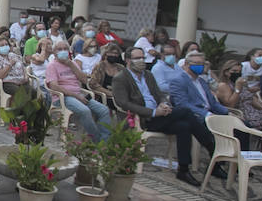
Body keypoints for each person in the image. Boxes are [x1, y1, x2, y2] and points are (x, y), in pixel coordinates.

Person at [111, 48, 219, 187]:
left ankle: (183, 170)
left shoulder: (148, 75)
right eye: (137, 58)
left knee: (184, 126)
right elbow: (123, 103)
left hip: (161, 115)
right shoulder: (121, 78)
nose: (142, 61)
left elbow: (159, 94)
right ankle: (212, 147)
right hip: (144, 118)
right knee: (185, 111)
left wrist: (164, 104)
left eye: (143, 57)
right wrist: (154, 112)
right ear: (127, 60)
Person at [45, 45, 111, 139]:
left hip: (79, 95)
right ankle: (97, 140)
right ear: (54, 52)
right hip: (63, 97)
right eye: (60, 49)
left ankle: (105, 139)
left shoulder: (73, 63)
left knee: (104, 110)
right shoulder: (52, 66)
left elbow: (84, 80)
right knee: (85, 111)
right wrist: (76, 96)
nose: (63, 51)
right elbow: (54, 86)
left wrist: (71, 65)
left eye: (65, 49)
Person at [165, 52, 229, 119]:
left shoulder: (202, 81)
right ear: (186, 64)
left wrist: (227, 112)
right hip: (196, 117)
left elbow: (213, 103)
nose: (201, 66)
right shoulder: (178, 81)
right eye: (197, 63)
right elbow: (183, 105)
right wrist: (207, 114)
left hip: (212, 115)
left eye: (202, 64)